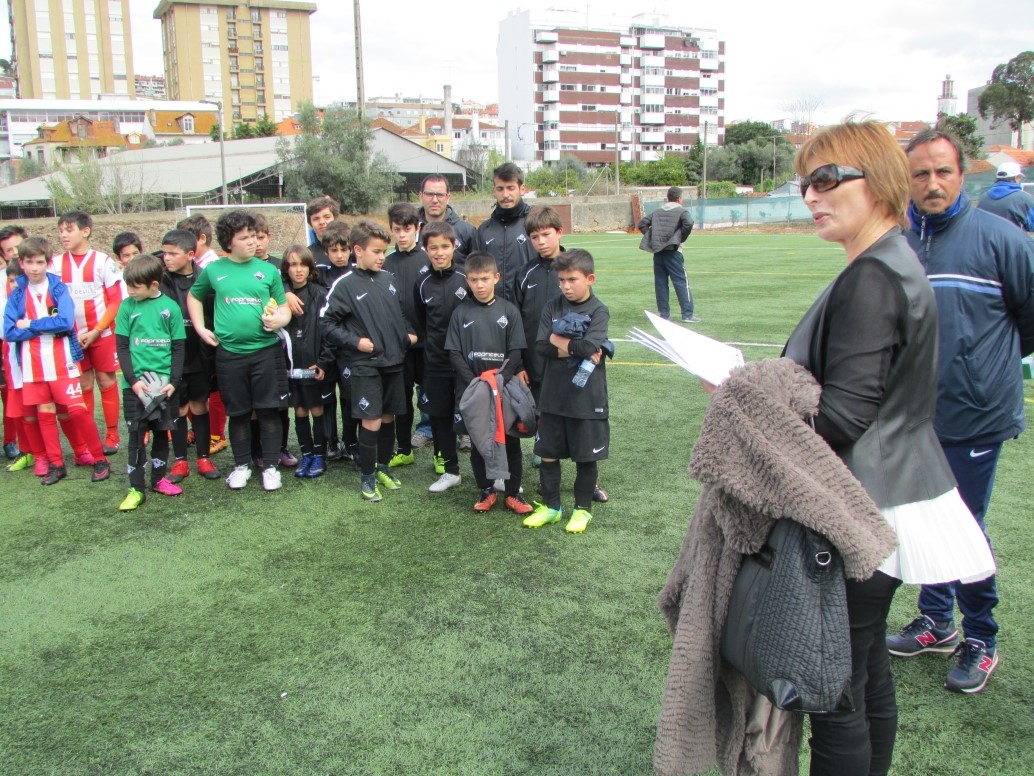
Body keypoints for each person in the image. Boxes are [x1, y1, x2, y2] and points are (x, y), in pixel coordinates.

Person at [779, 121, 995, 773]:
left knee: (837, 690)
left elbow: (842, 416)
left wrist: (746, 403)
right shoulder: (891, 259)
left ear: (877, 182)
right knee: (865, 670)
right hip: (888, 499)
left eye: (825, 179)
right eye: (805, 182)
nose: (811, 196)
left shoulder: (873, 275)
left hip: (862, 505)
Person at [886, 129, 1034, 693]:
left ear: (962, 173)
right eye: (920, 174)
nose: (932, 183)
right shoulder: (898, 241)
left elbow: (1028, 321)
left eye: (942, 172)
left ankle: (982, 636)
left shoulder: (1001, 239)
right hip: (912, 415)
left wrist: (980, 366)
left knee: (963, 527)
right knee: (922, 519)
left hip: (975, 414)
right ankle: (937, 620)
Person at [187, 210, 291, 492]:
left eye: (254, 237)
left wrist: (279, 319)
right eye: (243, 238)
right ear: (228, 242)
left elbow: (283, 308)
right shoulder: (214, 270)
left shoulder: (268, 270)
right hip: (230, 355)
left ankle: (270, 467)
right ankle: (242, 465)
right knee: (240, 413)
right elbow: (194, 296)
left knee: (269, 412)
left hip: (266, 353)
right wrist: (200, 327)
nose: (252, 242)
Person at [319, 219, 417, 502]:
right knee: (371, 420)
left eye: (383, 251)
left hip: (394, 361)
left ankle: (383, 466)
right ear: (357, 250)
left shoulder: (388, 279)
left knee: (388, 417)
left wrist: (408, 335)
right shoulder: (344, 285)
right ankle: (367, 477)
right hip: (365, 366)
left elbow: (398, 316)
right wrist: (356, 342)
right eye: (375, 251)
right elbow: (327, 323)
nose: (381, 256)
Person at [4, 237, 111, 485]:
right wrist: (45, 328)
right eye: (29, 262)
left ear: (48, 263)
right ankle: (56, 464)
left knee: (77, 411)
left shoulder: (59, 289)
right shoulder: (18, 294)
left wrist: (30, 324)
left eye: (39, 262)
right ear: (22, 263)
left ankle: (99, 459)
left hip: (62, 363)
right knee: (45, 413)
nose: (34, 267)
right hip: (32, 365)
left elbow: (64, 322)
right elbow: (9, 331)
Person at [523, 249, 609, 534]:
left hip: (587, 399)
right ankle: (551, 507)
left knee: (586, 456)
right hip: (552, 396)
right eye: (561, 280)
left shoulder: (599, 311)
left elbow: (587, 347)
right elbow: (542, 347)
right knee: (548, 453)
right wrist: (577, 348)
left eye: (572, 279)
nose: (565, 286)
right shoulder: (552, 307)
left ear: (590, 278)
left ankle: (582, 510)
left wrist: (559, 340)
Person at [445, 250, 532, 515]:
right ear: (467, 281)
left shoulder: (509, 311)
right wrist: (476, 383)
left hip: (502, 389)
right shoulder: (461, 313)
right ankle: (486, 491)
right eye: (473, 280)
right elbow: (454, 353)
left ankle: (513, 493)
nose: (480, 285)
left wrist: (499, 379)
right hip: (474, 389)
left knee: (510, 439)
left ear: (496, 277)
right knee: (479, 441)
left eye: (484, 279)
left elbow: (516, 352)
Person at [114, 254, 186, 510]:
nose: (130, 291)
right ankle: (136, 489)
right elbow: (122, 347)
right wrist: (133, 381)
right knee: (136, 436)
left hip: (163, 385)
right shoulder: (126, 307)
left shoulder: (171, 308)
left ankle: (158, 479)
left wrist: (174, 382)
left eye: (136, 287)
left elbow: (178, 348)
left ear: (153, 285)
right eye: (128, 286)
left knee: (161, 433)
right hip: (136, 386)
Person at [50, 210, 126, 455]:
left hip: (101, 334)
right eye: (61, 230)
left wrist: (97, 330)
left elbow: (115, 301)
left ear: (85, 231)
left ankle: (112, 434)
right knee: (83, 382)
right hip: (71, 337)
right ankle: (90, 434)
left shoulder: (103, 262)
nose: (63, 235)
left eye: (69, 229)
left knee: (106, 379)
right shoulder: (55, 264)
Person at [158, 229, 221, 485]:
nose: (167, 258)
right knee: (179, 408)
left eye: (173, 253)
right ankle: (181, 460)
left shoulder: (205, 278)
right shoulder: (160, 280)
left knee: (200, 406)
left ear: (191, 254)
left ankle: (204, 458)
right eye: (164, 252)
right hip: (172, 356)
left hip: (200, 354)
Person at [414, 221, 467, 492]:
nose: (439, 252)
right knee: (439, 417)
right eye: (433, 247)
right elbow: (422, 324)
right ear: (425, 249)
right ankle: (451, 470)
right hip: (435, 364)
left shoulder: (466, 277)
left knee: (478, 417)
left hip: (467, 364)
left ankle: (493, 473)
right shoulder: (422, 283)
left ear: (454, 246)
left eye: (444, 246)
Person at [383, 202, 428, 470]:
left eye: (407, 229)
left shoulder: (428, 260)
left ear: (417, 229)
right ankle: (403, 448)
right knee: (401, 399)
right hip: (398, 346)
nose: (402, 235)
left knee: (432, 398)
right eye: (397, 229)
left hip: (426, 346)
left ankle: (441, 454)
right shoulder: (386, 263)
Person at [280, 245, 331, 478]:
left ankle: (320, 455)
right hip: (291, 366)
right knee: (299, 411)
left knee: (316, 409)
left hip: (314, 365)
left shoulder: (320, 294)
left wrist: (323, 362)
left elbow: (329, 331)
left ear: (310, 268)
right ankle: (306, 454)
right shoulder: (280, 296)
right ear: (286, 269)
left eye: (302, 264)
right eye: (292, 265)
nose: (298, 270)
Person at [476, 162, 536, 301]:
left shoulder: (535, 224)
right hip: (493, 310)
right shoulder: (484, 230)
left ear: (522, 189)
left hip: (528, 307)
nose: (505, 194)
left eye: (511, 188)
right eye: (500, 189)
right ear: (494, 190)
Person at [638, 186, 697, 322]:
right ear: (680, 198)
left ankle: (664, 315)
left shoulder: (658, 211)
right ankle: (687, 314)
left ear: (668, 198)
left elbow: (643, 223)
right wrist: (680, 238)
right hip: (673, 252)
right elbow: (688, 223)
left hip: (658, 253)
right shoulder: (682, 211)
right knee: (681, 282)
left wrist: (653, 238)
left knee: (660, 283)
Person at [417, 174, 478, 269]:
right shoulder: (409, 230)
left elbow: (477, 269)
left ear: (448, 197)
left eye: (440, 195)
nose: (434, 200)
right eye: (429, 194)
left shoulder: (466, 231)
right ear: (421, 196)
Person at [976, 161, 1034, 232]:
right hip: (1013, 242)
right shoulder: (1023, 199)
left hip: (986, 242)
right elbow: (1032, 225)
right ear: (1016, 178)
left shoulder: (984, 197)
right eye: (1019, 177)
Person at [306, 195, 340, 271]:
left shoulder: (351, 251)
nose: (322, 222)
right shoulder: (307, 255)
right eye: (316, 219)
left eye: (327, 217)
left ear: (335, 218)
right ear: (310, 223)